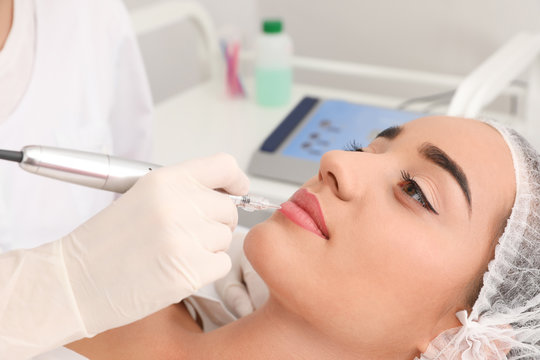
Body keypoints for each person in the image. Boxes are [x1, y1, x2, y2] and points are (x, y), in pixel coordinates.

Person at [61, 116, 540, 359]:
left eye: (415, 191)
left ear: (463, 340)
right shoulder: (113, 279)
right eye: (364, 149)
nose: (337, 161)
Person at [0, 0, 252, 357]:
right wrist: (66, 283)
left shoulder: (89, 13)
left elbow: (132, 187)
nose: (334, 162)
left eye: (361, 149)